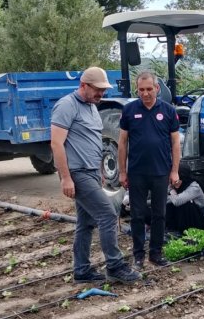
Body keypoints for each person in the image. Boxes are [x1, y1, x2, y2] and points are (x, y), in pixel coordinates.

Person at [50, 67, 141, 284]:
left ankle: (81, 270)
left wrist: (99, 171)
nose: (102, 94)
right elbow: (56, 143)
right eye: (98, 89)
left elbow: (93, 142)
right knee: (108, 215)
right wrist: (65, 178)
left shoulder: (91, 107)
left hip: (90, 172)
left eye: (103, 90)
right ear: (84, 85)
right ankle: (115, 265)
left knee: (86, 222)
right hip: (77, 172)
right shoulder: (66, 105)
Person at [118, 70, 181, 270]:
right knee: (137, 215)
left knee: (159, 214)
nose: (145, 93)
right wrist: (122, 172)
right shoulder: (129, 111)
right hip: (137, 172)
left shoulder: (169, 111)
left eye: (149, 89)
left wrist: (175, 171)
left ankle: (156, 253)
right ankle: (138, 255)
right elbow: (122, 143)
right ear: (137, 90)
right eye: (141, 90)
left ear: (157, 88)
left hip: (161, 171)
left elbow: (175, 144)